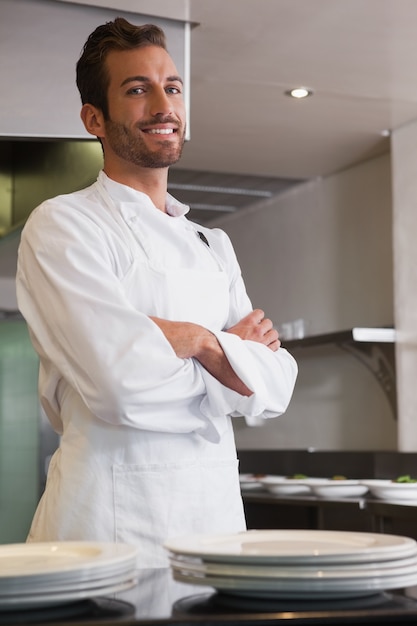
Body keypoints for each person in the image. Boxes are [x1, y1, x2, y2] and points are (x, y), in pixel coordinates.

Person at [16, 17, 298, 568]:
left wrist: (192, 343)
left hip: (215, 524)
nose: (163, 105)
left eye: (171, 87)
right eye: (137, 89)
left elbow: (275, 386)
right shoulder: (63, 225)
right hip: (107, 527)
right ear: (94, 119)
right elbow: (119, 387)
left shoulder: (212, 243)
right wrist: (223, 352)